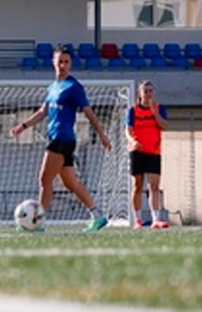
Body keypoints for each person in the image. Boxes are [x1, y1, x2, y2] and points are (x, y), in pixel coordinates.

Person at [10, 45, 112, 232]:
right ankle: (98, 216)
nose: (63, 65)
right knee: (70, 183)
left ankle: (37, 223)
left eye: (66, 62)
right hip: (59, 138)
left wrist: (102, 134)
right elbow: (43, 111)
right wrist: (23, 126)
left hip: (62, 138)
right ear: (53, 63)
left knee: (44, 179)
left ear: (71, 64)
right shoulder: (53, 87)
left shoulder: (74, 87)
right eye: (60, 62)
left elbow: (89, 113)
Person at [125, 81, 169, 229]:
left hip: (154, 151)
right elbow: (128, 129)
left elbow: (164, 126)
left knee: (154, 185)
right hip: (137, 151)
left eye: (151, 91)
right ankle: (137, 219)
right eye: (146, 91)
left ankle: (156, 218)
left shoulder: (159, 108)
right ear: (140, 93)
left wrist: (154, 113)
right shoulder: (133, 110)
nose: (148, 94)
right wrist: (132, 140)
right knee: (137, 186)